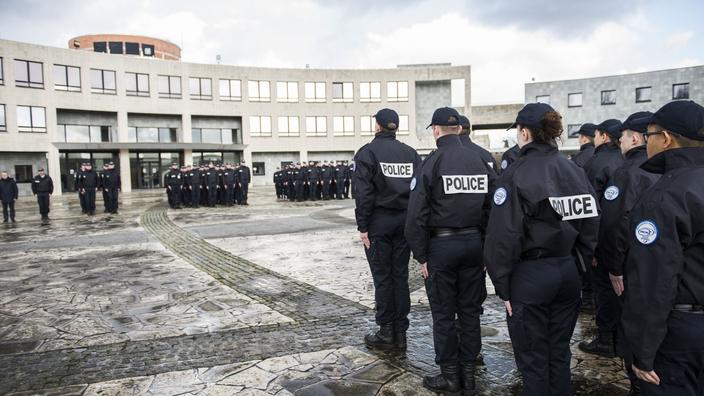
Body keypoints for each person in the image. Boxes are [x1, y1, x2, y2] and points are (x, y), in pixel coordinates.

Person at [484, 103, 599, 396]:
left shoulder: (516, 174)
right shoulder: (574, 170)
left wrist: (503, 286)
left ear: (524, 133)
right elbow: (591, 223)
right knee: (559, 354)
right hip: (567, 270)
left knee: (534, 361)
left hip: (530, 275)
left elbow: (503, 237)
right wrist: (579, 264)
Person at [405, 107, 495, 394]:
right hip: (474, 245)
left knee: (444, 313)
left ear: (436, 130)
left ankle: (450, 376)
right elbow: (494, 207)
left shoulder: (432, 161)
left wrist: (421, 255)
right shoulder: (482, 159)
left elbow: (416, 215)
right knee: (469, 311)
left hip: (442, 246)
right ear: (458, 128)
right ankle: (469, 374)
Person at [621, 100, 704, 396]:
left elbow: (653, 281)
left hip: (680, 334)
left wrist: (642, 351)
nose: (647, 141)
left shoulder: (665, 195)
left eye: (650, 134)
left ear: (666, 138)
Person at [591, 111, 659, 395]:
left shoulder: (627, 172)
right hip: (667, 270)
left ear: (633, 137)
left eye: (622, 138)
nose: (620, 143)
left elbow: (613, 223)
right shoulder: (673, 171)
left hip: (633, 265)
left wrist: (614, 266)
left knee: (634, 327)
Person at [354, 108, 422, 350]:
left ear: (377, 126)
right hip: (404, 222)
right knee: (400, 277)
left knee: (383, 278)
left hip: (379, 223)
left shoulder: (367, 153)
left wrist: (363, 225)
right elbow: (419, 192)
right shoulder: (410, 154)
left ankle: (386, 330)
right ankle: (401, 331)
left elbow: (363, 194)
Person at [579, 118, 625, 357]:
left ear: (604, 136)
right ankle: (619, 335)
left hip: (603, 236)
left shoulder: (596, 163)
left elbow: (590, 208)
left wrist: (592, 247)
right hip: (627, 238)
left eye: (596, 134)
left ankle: (606, 338)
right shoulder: (626, 160)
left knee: (605, 288)